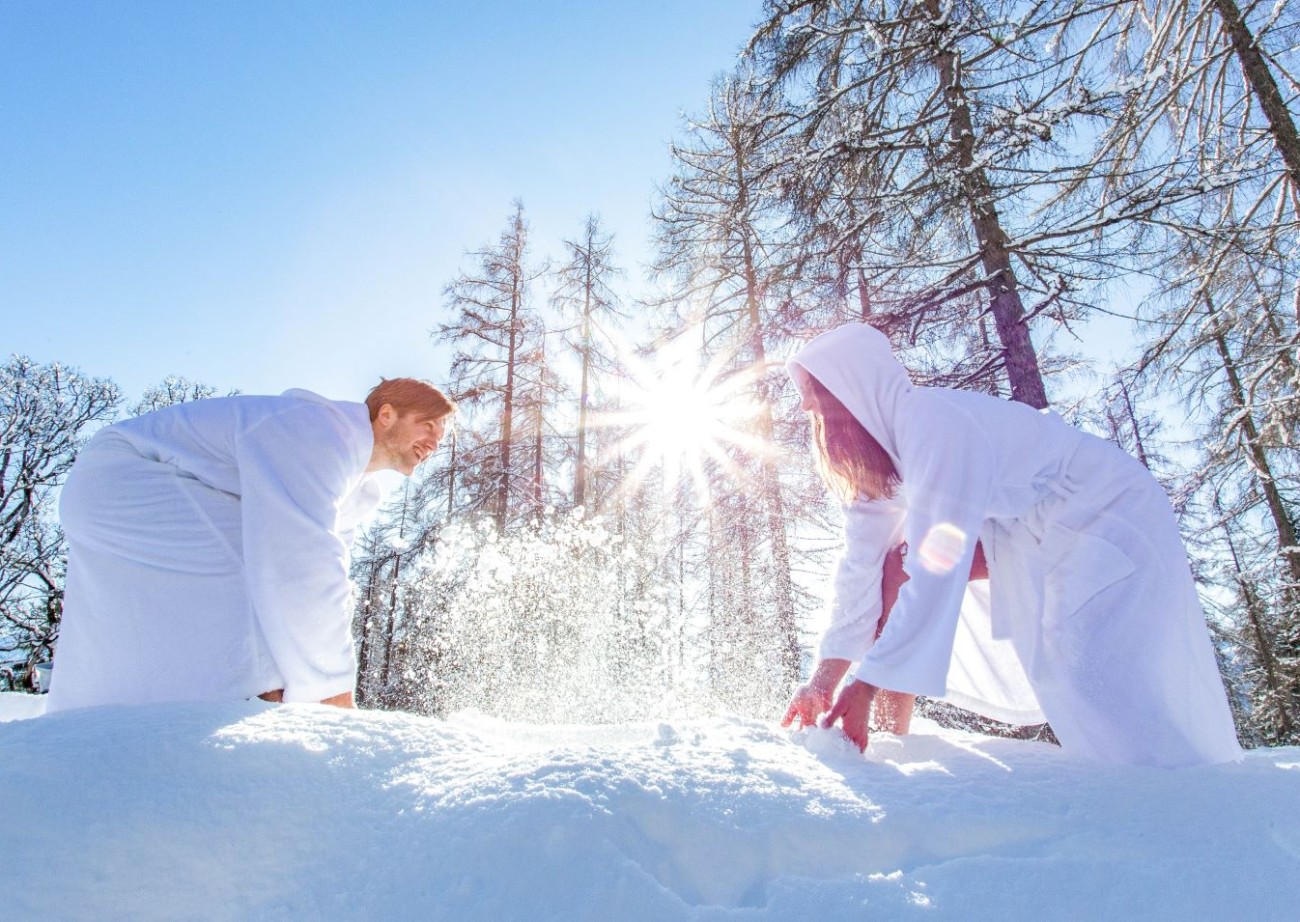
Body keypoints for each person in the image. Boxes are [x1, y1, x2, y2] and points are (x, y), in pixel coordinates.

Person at [781, 323, 1241, 767]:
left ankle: (1180, 786)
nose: (817, 424)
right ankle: (885, 741)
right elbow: (859, 565)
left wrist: (866, 683)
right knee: (890, 569)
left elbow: (937, 563)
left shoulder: (932, 423)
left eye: (821, 408)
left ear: (852, 395)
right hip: (1028, 529)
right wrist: (824, 680)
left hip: (1103, 508)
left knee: (1094, 672)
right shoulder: (883, 465)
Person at [45, 378, 453, 713]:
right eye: (428, 425)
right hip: (126, 477)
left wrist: (321, 680)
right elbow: (298, 563)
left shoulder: (359, 490)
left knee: (172, 610)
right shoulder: (318, 432)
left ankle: (93, 722)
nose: (435, 441)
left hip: (112, 491)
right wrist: (329, 692)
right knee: (252, 567)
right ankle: (251, 702)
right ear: (386, 414)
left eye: (441, 433)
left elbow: (330, 579)